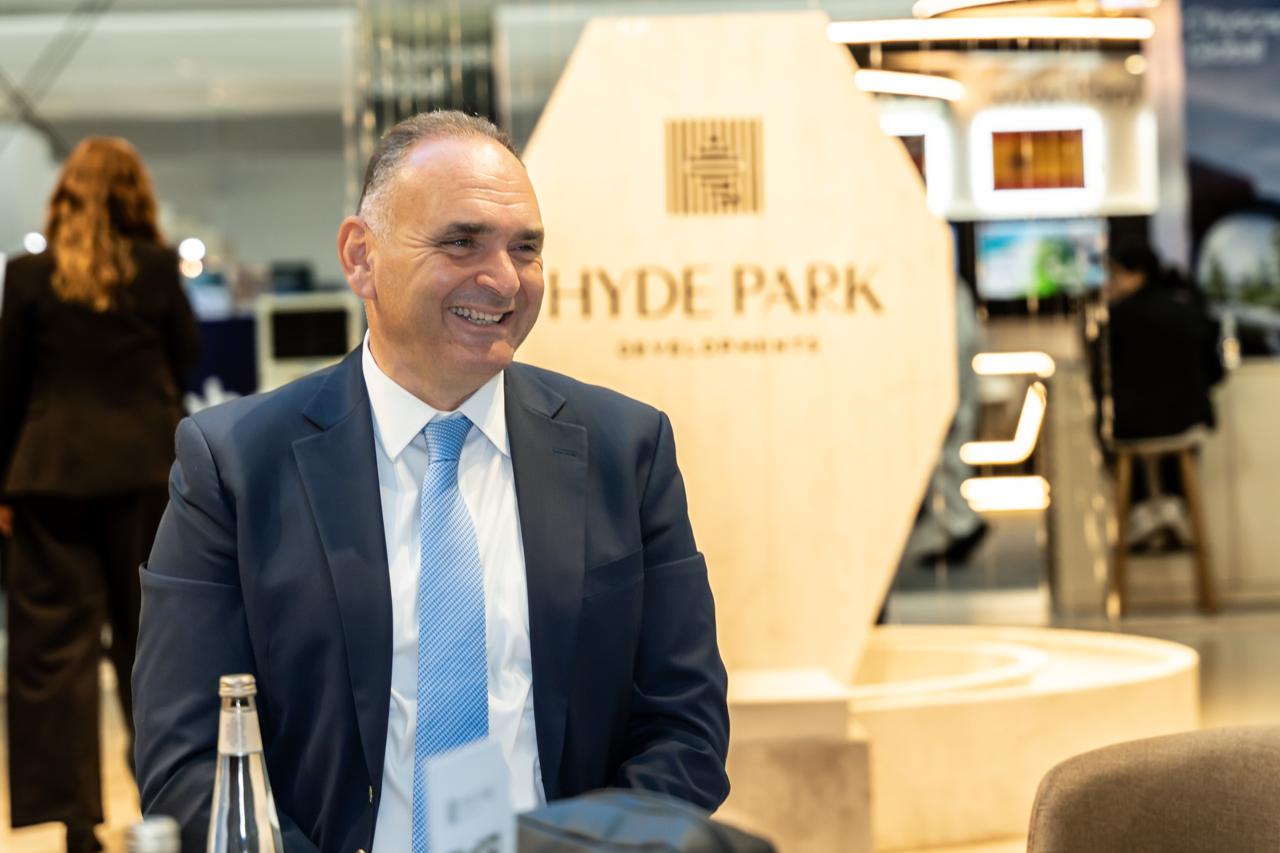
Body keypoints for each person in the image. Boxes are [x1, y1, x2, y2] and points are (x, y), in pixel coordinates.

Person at [133, 111, 730, 852]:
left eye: (525, 248)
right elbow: (187, 759)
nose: (504, 279)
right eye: (462, 241)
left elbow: (685, 726)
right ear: (361, 257)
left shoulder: (626, 450)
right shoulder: (234, 467)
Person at [0, 137, 201, 853]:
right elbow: (186, 358)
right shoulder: (156, 268)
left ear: (65, 193)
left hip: (50, 476)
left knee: (53, 652)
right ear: (134, 193)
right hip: (145, 471)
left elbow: (9, 384)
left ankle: (76, 821)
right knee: (153, 646)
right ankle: (161, 803)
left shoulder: (28, 275)